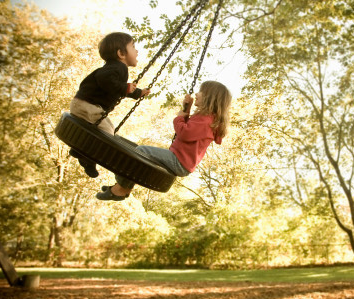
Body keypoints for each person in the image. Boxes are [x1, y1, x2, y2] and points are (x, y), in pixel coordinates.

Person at [96, 80, 232, 201]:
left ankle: (121, 189)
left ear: (210, 98)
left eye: (201, 92)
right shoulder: (206, 119)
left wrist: (178, 117)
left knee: (141, 151)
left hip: (179, 161)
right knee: (138, 155)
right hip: (180, 160)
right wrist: (187, 110)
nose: (197, 94)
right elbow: (190, 130)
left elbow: (184, 133)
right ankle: (122, 187)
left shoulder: (206, 120)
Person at [69, 32, 150, 178]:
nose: (137, 50)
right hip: (88, 105)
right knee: (107, 134)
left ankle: (79, 149)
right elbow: (105, 79)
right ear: (121, 53)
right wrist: (125, 88)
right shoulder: (117, 67)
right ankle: (87, 158)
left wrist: (138, 93)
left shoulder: (115, 68)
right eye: (133, 46)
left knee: (105, 129)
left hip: (83, 104)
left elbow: (116, 87)